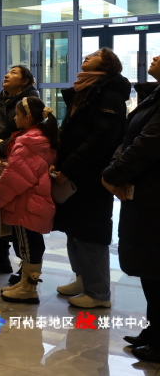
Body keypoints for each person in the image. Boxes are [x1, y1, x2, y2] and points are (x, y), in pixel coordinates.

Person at [53, 48, 129, 309]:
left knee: (90, 232)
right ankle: (83, 279)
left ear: (106, 66)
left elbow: (102, 139)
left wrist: (69, 166)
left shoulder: (110, 94)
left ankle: (98, 293)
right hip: (76, 173)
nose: (87, 56)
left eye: (95, 55)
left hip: (92, 175)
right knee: (74, 230)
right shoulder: (86, 90)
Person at [102, 55, 160, 362]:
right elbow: (129, 138)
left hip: (154, 198)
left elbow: (147, 144)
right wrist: (116, 167)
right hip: (145, 195)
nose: (155, 56)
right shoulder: (154, 95)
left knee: (156, 270)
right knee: (151, 271)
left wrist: (112, 174)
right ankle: (153, 332)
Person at [0, 97, 58, 304]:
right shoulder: (41, 138)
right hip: (35, 200)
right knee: (31, 244)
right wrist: (3, 164)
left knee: (28, 246)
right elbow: (25, 169)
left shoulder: (27, 142)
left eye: (17, 114)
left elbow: (16, 177)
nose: (14, 118)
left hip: (26, 202)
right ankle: (26, 283)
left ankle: (28, 288)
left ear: (27, 118)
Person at [0, 65, 39, 277]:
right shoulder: (2, 97)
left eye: (14, 73)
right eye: (7, 72)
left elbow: (26, 131)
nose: (7, 75)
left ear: (25, 81)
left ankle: (26, 266)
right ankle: (1, 258)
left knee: (17, 214)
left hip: (15, 160)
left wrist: (0, 148)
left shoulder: (30, 100)